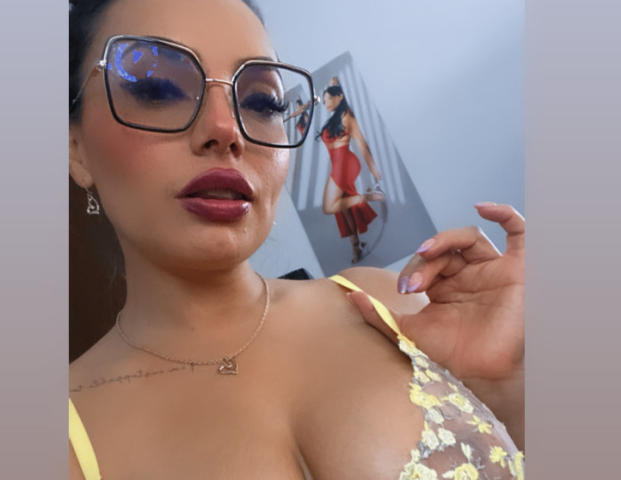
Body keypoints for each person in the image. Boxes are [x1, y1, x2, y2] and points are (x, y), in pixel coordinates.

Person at [68, 0, 525, 478]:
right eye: (159, 90)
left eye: (262, 103)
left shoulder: (393, 307)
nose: (226, 129)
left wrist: (509, 390)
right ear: (75, 148)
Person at [317, 78, 384, 263]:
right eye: (324, 101)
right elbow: (334, 85)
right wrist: (333, 85)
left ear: (340, 96)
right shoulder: (335, 117)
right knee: (343, 209)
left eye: (328, 99)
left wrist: (374, 170)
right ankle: (356, 248)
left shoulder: (347, 116)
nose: (325, 104)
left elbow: (362, 144)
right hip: (338, 164)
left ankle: (368, 197)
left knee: (329, 206)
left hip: (346, 163)